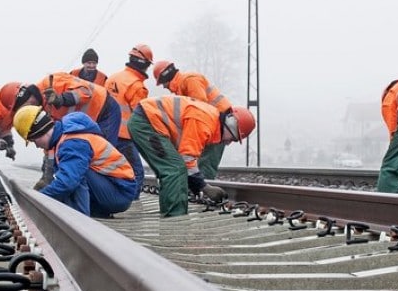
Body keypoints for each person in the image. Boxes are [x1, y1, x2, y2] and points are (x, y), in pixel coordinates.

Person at [128, 95, 256, 217]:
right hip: (146, 123)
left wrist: (198, 187)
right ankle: (175, 218)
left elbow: (187, 158)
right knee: (175, 169)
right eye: (233, 139)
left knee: (173, 167)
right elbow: (187, 159)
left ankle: (171, 211)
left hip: (147, 121)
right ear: (231, 126)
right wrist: (204, 187)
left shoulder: (210, 121)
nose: (228, 143)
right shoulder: (205, 123)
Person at [12, 105, 135, 218]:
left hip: (119, 193)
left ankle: (80, 219)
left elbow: (68, 182)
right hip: (112, 188)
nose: (37, 146)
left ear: (38, 133)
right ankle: (93, 212)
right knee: (70, 173)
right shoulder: (64, 139)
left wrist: (40, 199)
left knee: (74, 175)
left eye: (34, 141)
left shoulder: (72, 142)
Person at [12, 72, 122, 189]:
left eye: (29, 102)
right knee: (81, 160)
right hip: (89, 121)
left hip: (104, 110)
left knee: (99, 155)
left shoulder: (52, 81)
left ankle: (112, 189)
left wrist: (61, 99)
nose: (30, 106)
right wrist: (47, 176)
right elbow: (50, 142)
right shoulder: (39, 112)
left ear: (31, 93)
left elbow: (85, 92)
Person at [152, 60, 233, 180]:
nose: (165, 87)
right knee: (200, 161)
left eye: (163, 83)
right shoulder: (183, 86)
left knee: (206, 163)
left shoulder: (190, 80)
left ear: (167, 77)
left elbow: (199, 110)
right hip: (211, 125)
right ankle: (200, 191)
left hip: (217, 126)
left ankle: (205, 193)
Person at [105, 44, 155, 199]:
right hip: (125, 137)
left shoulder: (113, 78)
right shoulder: (137, 86)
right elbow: (141, 116)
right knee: (136, 172)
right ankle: (130, 203)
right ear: (144, 64)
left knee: (113, 170)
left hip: (106, 133)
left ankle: (112, 197)